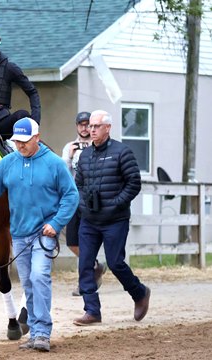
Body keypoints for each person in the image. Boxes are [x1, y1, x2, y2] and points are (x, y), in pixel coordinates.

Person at [0, 117, 79, 352]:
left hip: (44, 234)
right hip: (19, 235)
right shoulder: (9, 163)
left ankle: (42, 332)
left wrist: (57, 223)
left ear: (36, 138)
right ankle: (33, 329)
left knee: (40, 277)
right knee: (29, 283)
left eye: (25, 141)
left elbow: (71, 196)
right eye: (17, 141)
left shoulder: (54, 164)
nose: (20, 146)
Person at [73, 110, 150, 326]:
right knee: (85, 265)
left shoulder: (122, 152)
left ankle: (140, 293)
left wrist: (116, 203)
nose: (92, 129)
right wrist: (82, 204)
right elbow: (77, 184)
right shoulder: (85, 155)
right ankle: (92, 311)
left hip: (115, 219)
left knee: (115, 263)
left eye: (97, 126)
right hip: (89, 219)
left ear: (108, 128)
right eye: (90, 126)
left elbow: (134, 183)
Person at [61, 111, 106, 296]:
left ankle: (85, 284)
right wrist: (69, 157)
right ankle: (95, 265)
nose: (85, 127)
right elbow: (62, 172)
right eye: (81, 124)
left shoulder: (98, 146)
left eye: (88, 124)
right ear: (77, 126)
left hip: (92, 200)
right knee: (72, 242)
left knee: (87, 241)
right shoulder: (69, 146)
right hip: (73, 198)